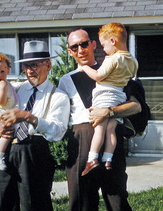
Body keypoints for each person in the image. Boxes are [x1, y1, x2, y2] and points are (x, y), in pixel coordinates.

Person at [0, 40, 70, 211]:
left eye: (34, 65)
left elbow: (57, 132)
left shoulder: (58, 97)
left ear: (48, 65)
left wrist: (28, 117)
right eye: (26, 66)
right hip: (5, 152)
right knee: (3, 202)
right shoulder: (14, 88)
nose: (29, 71)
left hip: (34, 152)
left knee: (34, 203)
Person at [58, 28, 141, 211]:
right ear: (70, 52)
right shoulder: (66, 81)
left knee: (116, 198)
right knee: (82, 200)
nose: (80, 49)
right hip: (81, 140)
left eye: (84, 44)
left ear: (93, 44)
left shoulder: (115, 66)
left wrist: (109, 112)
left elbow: (136, 106)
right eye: (74, 47)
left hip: (111, 137)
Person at [79, 22, 138, 176]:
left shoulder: (112, 59)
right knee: (111, 129)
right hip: (119, 96)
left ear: (113, 41)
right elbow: (130, 77)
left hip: (104, 95)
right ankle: (108, 159)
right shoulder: (133, 61)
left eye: (104, 45)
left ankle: (92, 159)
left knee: (99, 128)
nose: (103, 49)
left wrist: (84, 67)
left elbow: (99, 75)